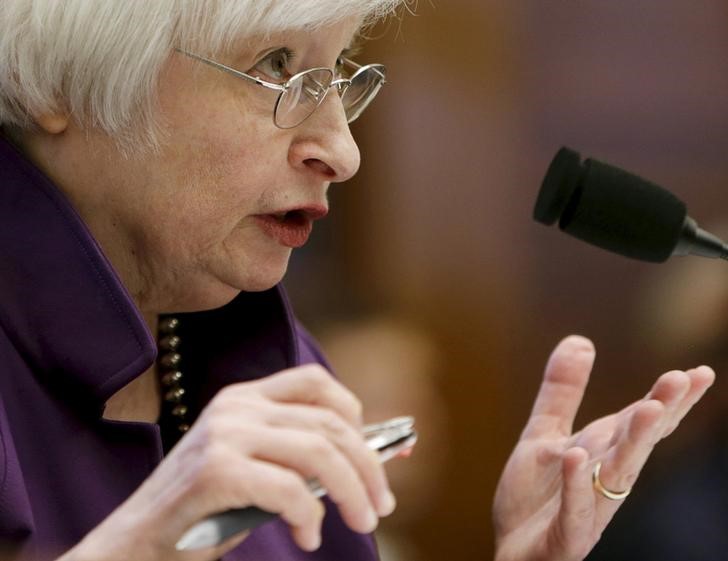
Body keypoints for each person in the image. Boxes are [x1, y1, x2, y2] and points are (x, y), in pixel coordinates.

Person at [0, 2, 715, 561]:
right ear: (63, 80)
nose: (342, 151)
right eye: (277, 65)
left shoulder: (275, 355)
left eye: (339, 71)